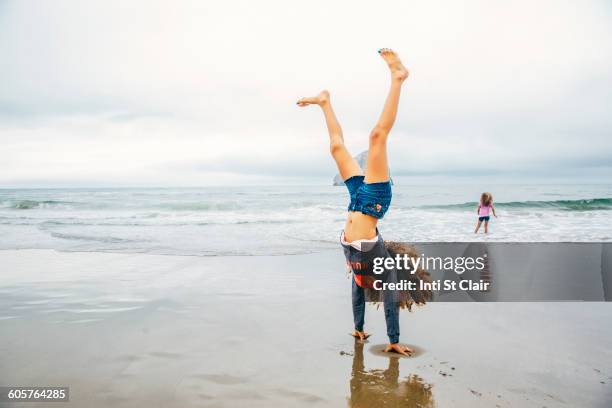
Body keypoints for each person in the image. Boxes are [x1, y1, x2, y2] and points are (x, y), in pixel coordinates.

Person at [297, 49, 430, 355]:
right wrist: (394, 340)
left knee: (335, 148)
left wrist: (358, 329)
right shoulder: (383, 268)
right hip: (374, 203)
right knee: (376, 138)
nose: (371, 289)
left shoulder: (358, 275)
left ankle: (324, 101)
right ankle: (399, 78)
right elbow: (390, 305)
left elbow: (356, 300)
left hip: (355, 201)